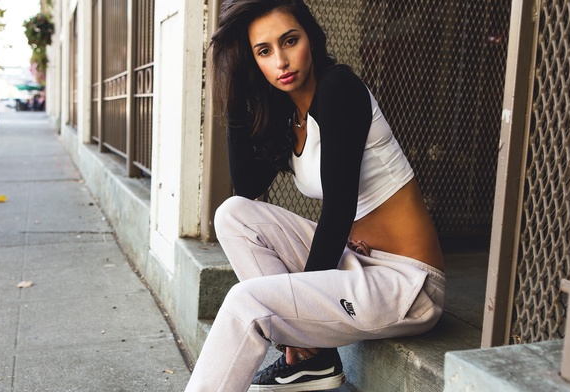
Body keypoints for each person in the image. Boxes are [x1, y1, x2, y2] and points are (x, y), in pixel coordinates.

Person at [185, 1, 445, 391]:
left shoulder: (339, 88)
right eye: (264, 51)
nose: (282, 61)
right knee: (232, 214)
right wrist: (237, 87)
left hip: (407, 285)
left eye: (290, 41)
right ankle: (315, 357)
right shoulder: (291, 115)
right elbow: (247, 187)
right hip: (356, 263)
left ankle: (307, 350)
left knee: (247, 302)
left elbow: (340, 209)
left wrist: (297, 307)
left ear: (312, 38)